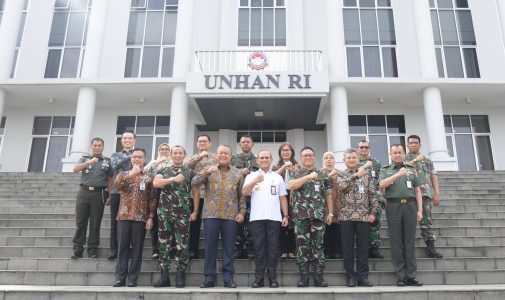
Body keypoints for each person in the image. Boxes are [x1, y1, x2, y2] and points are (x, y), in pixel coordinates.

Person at [192, 145, 246, 288]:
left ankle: (228, 278)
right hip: (211, 215)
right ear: (216, 155)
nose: (223, 155)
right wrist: (206, 173)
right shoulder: (209, 170)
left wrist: (242, 212)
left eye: (226, 153)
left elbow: (241, 195)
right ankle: (209, 277)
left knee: (229, 248)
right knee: (210, 247)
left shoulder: (237, 173)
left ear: (230, 156)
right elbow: (193, 183)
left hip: (231, 216)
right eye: (221, 153)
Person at [242, 150, 289, 288]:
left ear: (271, 159)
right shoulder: (251, 176)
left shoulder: (277, 177)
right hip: (257, 218)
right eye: (261, 157)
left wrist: (285, 215)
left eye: (266, 157)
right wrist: (254, 181)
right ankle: (259, 279)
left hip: (274, 218)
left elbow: (282, 197)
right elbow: (244, 192)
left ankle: (272, 278)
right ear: (257, 160)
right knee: (259, 249)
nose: (264, 160)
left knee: (273, 249)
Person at [288, 146, 333, 287]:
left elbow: (328, 194)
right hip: (301, 216)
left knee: (318, 246)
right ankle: (304, 277)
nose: (308, 157)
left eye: (310, 155)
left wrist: (330, 212)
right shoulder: (296, 172)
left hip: (318, 215)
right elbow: (291, 186)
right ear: (301, 158)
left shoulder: (322, 174)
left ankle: (319, 276)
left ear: (314, 157)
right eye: (305, 155)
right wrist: (307, 176)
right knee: (302, 246)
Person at [152, 146, 197, 288]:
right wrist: (172, 179)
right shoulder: (163, 170)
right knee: (164, 244)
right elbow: (156, 183)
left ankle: (180, 274)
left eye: (180, 153)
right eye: (175, 153)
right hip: (164, 213)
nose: (177, 155)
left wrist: (195, 211)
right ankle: (164, 276)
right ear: (171, 155)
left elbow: (195, 191)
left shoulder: (190, 172)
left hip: (182, 214)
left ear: (184, 155)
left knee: (182, 243)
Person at [379, 144, 423, 287]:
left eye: (400, 152)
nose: (397, 155)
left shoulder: (411, 169)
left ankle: (411, 276)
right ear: (390, 155)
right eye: (394, 153)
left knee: (409, 241)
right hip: (393, 206)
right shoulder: (386, 170)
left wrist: (420, 210)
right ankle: (401, 276)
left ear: (404, 154)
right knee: (396, 242)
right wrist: (398, 174)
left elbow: (417, 190)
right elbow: (381, 184)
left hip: (410, 205)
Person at [113, 148, 156, 287]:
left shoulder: (149, 177)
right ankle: (120, 278)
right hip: (124, 217)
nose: (137, 159)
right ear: (131, 159)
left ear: (145, 159)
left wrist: (150, 217)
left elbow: (153, 199)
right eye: (134, 157)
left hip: (140, 218)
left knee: (137, 250)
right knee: (122, 248)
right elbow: (118, 186)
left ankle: (132, 279)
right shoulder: (123, 174)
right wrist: (131, 174)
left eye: (140, 157)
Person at [336, 149, 378, 287]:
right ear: (344, 160)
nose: (351, 160)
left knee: (363, 249)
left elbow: (373, 195)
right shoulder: (340, 174)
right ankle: (350, 277)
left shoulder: (366, 176)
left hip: (363, 217)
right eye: (348, 158)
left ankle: (362, 277)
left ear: (358, 159)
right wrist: (355, 176)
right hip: (345, 216)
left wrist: (373, 212)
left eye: (354, 157)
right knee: (347, 249)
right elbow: (341, 186)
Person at [71, 138, 113, 259]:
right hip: (83, 192)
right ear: (91, 147)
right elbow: (75, 169)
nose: (97, 147)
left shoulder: (107, 161)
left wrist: (110, 194)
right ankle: (77, 249)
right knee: (81, 222)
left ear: (103, 147)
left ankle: (92, 249)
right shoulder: (84, 158)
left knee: (95, 223)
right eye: (95, 145)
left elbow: (110, 179)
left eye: (100, 145)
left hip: (98, 193)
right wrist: (90, 162)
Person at [405, 135, 443, 259]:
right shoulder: (403, 158)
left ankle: (430, 246)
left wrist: (436, 192)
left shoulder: (427, 160)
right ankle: (406, 248)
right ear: (407, 145)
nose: (413, 145)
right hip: (408, 194)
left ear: (420, 145)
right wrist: (416, 160)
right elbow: (402, 170)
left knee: (427, 220)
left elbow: (433, 175)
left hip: (424, 194)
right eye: (411, 143)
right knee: (406, 222)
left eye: (416, 143)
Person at [187, 134, 217, 259]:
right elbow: (186, 167)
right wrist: (199, 157)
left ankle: (210, 251)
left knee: (211, 225)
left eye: (205, 141)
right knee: (194, 224)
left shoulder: (215, 157)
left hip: (211, 195)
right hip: (195, 195)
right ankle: (193, 249)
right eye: (200, 141)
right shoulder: (191, 158)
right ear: (196, 144)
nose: (202, 143)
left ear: (210, 144)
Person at [108, 130, 135, 260]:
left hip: (133, 193)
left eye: (130, 138)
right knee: (115, 221)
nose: (127, 140)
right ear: (121, 141)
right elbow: (114, 165)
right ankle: (114, 249)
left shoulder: (139, 154)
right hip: (117, 193)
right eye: (125, 138)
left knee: (130, 222)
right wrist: (131, 156)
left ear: (134, 140)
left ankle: (127, 249)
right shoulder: (115, 154)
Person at [356, 140, 385, 259]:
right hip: (359, 199)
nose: (364, 149)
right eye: (361, 147)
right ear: (357, 149)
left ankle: (374, 249)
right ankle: (364, 249)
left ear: (369, 149)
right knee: (361, 226)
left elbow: (381, 180)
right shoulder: (354, 161)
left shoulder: (376, 163)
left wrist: (384, 195)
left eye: (366, 147)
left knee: (375, 224)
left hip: (375, 198)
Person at [231, 135, 259, 259]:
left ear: (252, 144)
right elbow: (229, 173)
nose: (246, 144)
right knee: (237, 221)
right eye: (243, 142)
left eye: (248, 142)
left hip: (253, 196)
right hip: (236, 195)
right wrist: (239, 172)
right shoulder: (233, 159)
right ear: (240, 145)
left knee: (250, 221)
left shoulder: (257, 159)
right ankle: (238, 247)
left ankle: (250, 247)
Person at [145, 143, 172, 260]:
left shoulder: (173, 162)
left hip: (170, 195)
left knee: (169, 223)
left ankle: (169, 248)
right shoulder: (153, 162)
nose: (164, 151)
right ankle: (156, 250)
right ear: (158, 151)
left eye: (167, 149)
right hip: (155, 193)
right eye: (162, 149)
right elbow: (146, 174)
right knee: (155, 222)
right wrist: (158, 163)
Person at [272, 143, 298, 259]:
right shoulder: (275, 166)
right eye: (283, 150)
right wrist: (284, 166)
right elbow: (272, 177)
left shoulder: (298, 166)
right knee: (281, 223)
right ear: (280, 153)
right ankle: (282, 251)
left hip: (293, 198)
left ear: (292, 152)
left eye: (287, 150)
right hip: (279, 198)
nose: (285, 152)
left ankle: (291, 250)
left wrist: (292, 167)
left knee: (292, 224)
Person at [321, 151, 342, 259]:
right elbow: (320, 182)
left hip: (338, 204)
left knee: (337, 229)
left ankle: (337, 251)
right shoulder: (319, 172)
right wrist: (329, 175)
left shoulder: (340, 172)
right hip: (325, 204)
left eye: (331, 157)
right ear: (323, 160)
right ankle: (327, 251)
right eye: (326, 158)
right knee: (326, 229)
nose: (329, 159)